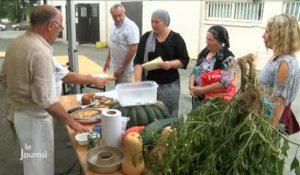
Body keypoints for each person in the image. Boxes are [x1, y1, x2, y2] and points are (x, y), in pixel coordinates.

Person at [0, 5, 89, 175]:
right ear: (51, 25)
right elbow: (45, 100)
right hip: (35, 122)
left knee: (31, 163)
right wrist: (72, 122)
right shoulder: (40, 52)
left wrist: (19, 97)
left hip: (20, 116)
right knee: (39, 168)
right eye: (60, 27)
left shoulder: (16, 43)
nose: (59, 32)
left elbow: (3, 77)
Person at [134, 9, 190, 118]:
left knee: (168, 115)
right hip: (148, 85)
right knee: (149, 115)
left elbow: (184, 60)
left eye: (157, 22)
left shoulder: (176, 38)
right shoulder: (146, 37)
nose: (153, 25)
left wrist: (170, 64)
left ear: (165, 22)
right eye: (152, 21)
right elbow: (138, 61)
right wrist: (137, 82)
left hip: (169, 86)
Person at [259, 14, 300, 134]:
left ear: (279, 35)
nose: (263, 36)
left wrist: (266, 135)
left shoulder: (285, 64)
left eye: (267, 32)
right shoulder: (277, 56)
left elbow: (278, 104)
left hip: (270, 122)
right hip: (262, 116)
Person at [189, 25, 236, 109]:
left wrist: (201, 90)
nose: (207, 42)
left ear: (220, 41)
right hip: (197, 98)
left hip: (213, 103)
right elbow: (195, 70)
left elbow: (225, 83)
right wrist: (191, 86)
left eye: (210, 40)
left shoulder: (228, 58)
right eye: (206, 38)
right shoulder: (205, 52)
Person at [103, 3, 139, 84]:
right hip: (116, 67)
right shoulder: (113, 25)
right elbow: (113, 43)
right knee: (118, 92)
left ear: (124, 12)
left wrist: (122, 68)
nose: (117, 18)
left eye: (120, 15)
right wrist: (108, 59)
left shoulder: (131, 27)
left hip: (127, 71)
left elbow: (133, 49)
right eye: (114, 16)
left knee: (127, 94)